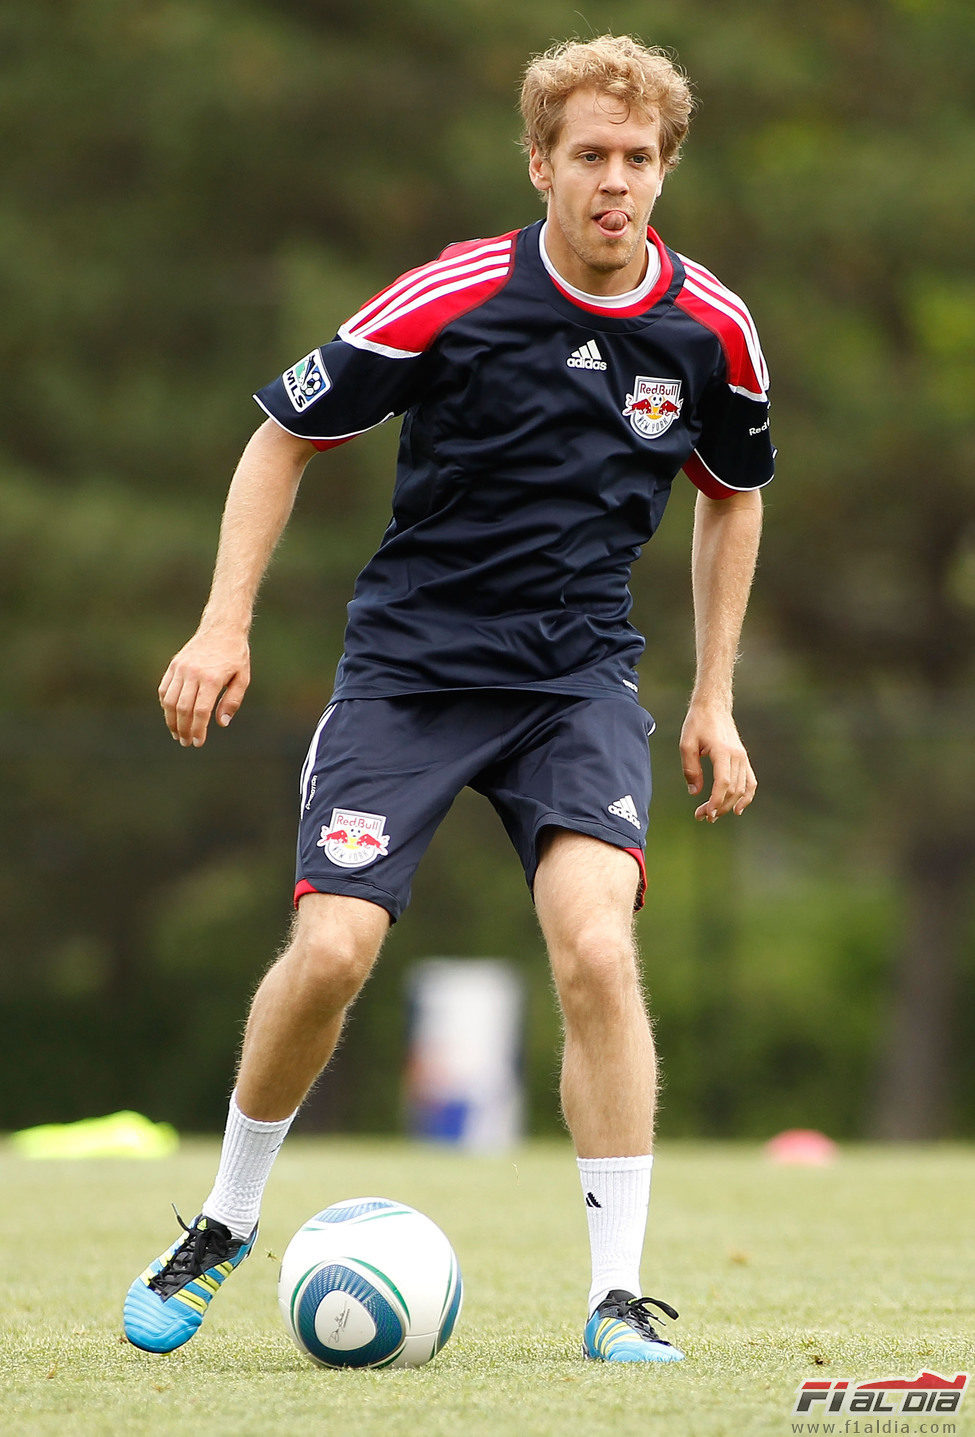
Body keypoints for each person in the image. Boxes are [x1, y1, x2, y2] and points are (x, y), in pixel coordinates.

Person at [123, 33, 773, 1364]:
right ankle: (223, 1227)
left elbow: (733, 495)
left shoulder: (710, 326)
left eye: (637, 158)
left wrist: (715, 696)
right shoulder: (456, 293)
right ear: (540, 163)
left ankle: (616, 1295)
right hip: (414, 673)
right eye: (588, 155)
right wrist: (224, 620)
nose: (613, 181)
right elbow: (283, 433)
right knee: (335, 955)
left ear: (665, 171)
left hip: (575, 681)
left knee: (596, 945)